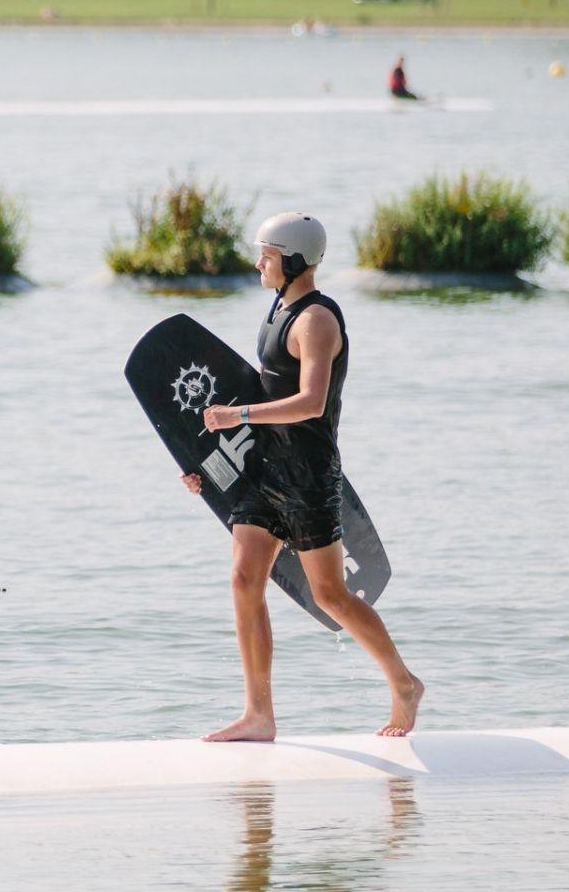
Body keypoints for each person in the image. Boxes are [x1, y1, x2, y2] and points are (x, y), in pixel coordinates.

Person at [181, 212, 424, 742]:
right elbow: (261, 391)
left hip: (308, 476)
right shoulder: (278, 307)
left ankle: (404, 684)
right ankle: (259, 714)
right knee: (244, 580)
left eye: (266, 256)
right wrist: (208, 464)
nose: (257, 264)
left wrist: (237, 416)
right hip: (263, 468)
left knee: (331, 596)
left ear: (291, 260)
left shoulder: (316, 321)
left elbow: (311, 403)